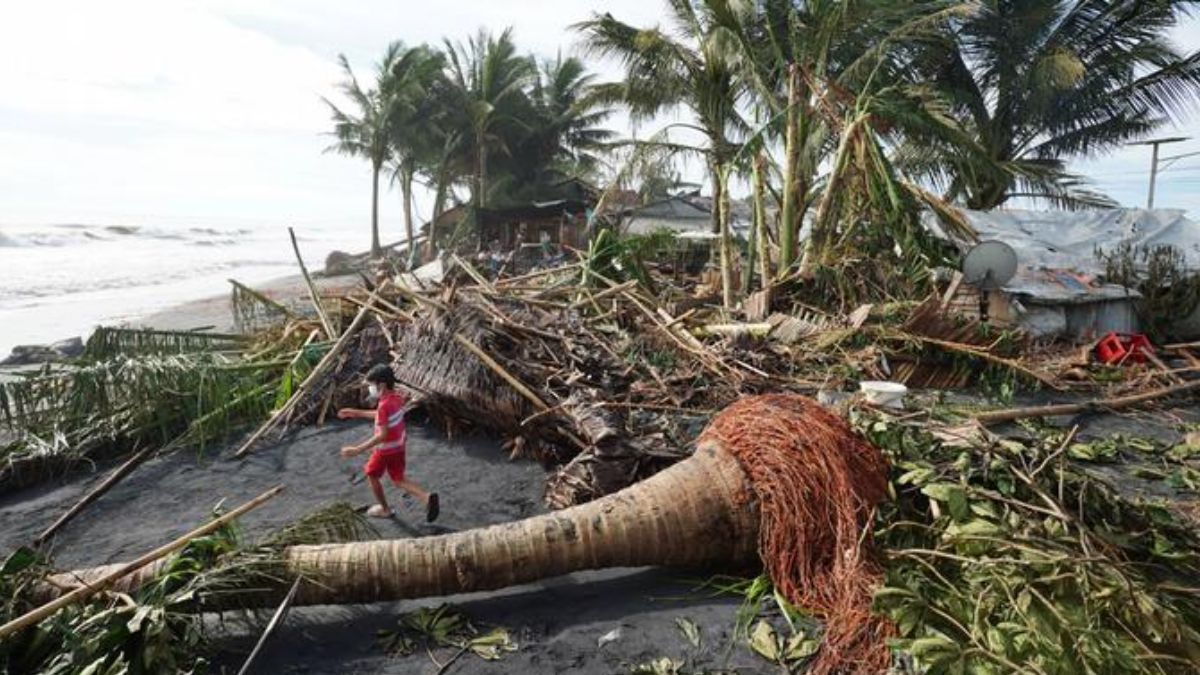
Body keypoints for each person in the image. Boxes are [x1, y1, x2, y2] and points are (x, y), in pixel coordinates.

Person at [337, 364, 439, 521]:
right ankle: (426, 497)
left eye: (372, 385)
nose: (370, 389)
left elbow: (382, 435)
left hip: (384, 450)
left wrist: (357, 449)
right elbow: (380, 417)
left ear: (381, 385)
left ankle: (385, 509)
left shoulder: (384, 405)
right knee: (398, 479)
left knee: (371, 475)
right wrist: (354, 412)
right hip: (399, 446)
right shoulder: (396, 398)